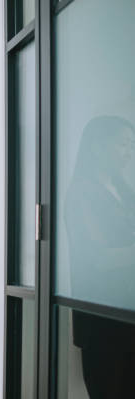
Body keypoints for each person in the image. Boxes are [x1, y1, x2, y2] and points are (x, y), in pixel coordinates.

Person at [64, 115, 135, 398]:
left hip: (127, 315)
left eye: (131, 144)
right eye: (122, 144)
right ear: (96, 146)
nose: (128, 152)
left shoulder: (124, 192)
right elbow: (97, 259)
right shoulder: (82, 193)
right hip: (101, 320)